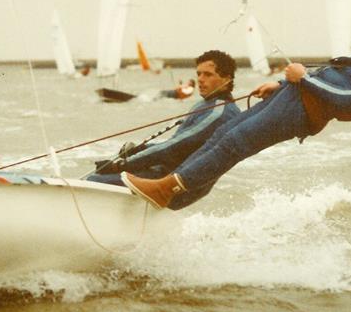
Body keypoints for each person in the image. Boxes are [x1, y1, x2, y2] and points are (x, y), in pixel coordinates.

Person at [121, 16, 351, 210]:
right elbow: (331, 71)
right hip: (291, 95)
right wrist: (281, 83)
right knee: (222, 135)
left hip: (302, 112)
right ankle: (167, 184)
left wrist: (302, 78)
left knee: (234, 142)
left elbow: (344, 98)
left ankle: (169, 191)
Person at [87, 50, 241, 207]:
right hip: (168, 175)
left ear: (226, 79)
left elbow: (175, 147)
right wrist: (140, 149)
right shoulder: (208, 105)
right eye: (199, 74)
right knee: (100, 175)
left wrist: (123, 164)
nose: (200, 80)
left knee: (94, 180)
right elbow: (177, 144)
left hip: (173, 184)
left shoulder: (219, 112)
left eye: (208, 75)